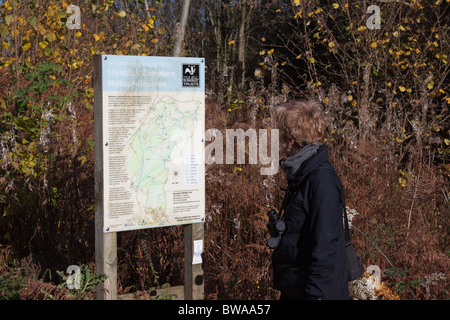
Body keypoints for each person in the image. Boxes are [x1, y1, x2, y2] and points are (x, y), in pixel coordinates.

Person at [269, 99, 349, 300]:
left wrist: (316, 296)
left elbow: (325, 246)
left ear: (291, 139)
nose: (275, 136)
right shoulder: (303, 172)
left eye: (278, 131)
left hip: (315, 292)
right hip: (298, 287)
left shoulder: (320, 180)